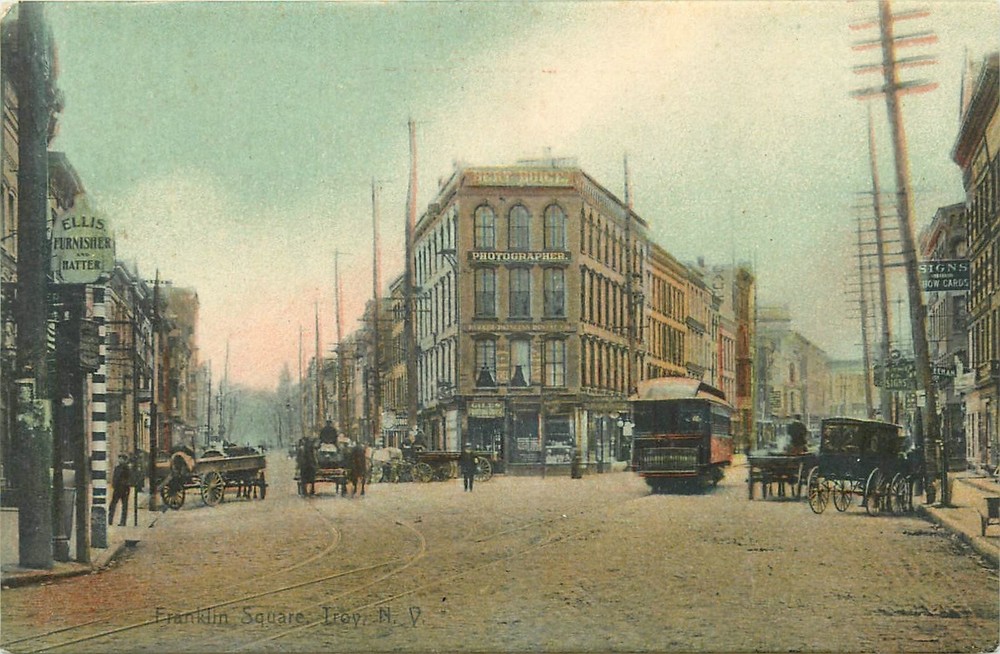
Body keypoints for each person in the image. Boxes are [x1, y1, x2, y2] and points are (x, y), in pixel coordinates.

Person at [109, 454, 131, 526]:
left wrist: (125, 484)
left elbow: (129, 479)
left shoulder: (127, 468)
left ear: (124, 460)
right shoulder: (117, 468)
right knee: (112, 505)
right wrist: (113, 484)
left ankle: (123, 522)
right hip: (117, 489)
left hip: (124, 489)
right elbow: (114, 477)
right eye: (119, 458)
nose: (120, 460)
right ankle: (110, 520)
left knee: (124, 506)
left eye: (121, 459)